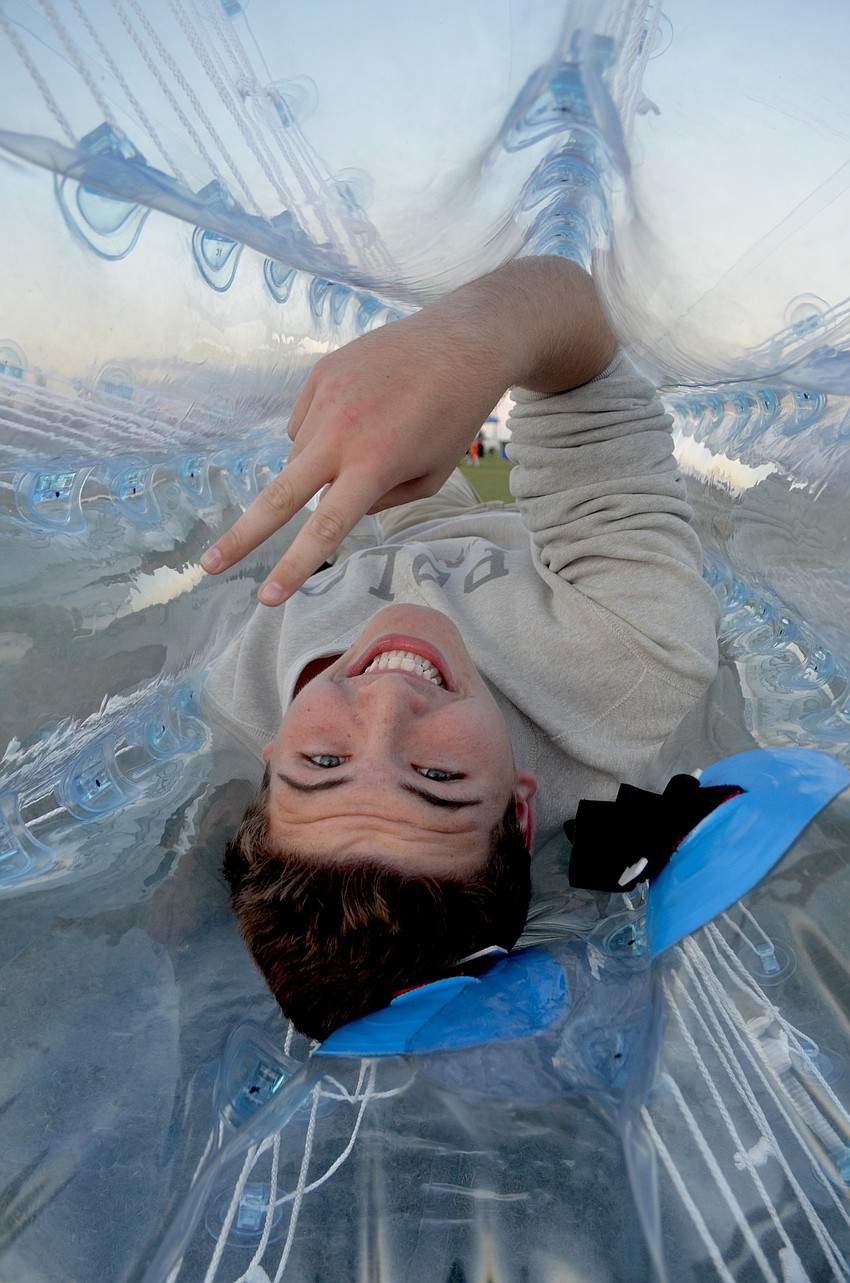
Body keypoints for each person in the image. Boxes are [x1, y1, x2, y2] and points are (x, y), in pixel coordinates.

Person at [200, 257, 719, 1039]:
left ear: (271, 759)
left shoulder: (243, 687)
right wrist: (473, 334)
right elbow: (586, 364)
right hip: (518, 539)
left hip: (395, 524)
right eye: (436, 774)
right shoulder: (631, 670)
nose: (385, 701)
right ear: (519, 807)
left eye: (323, 764)